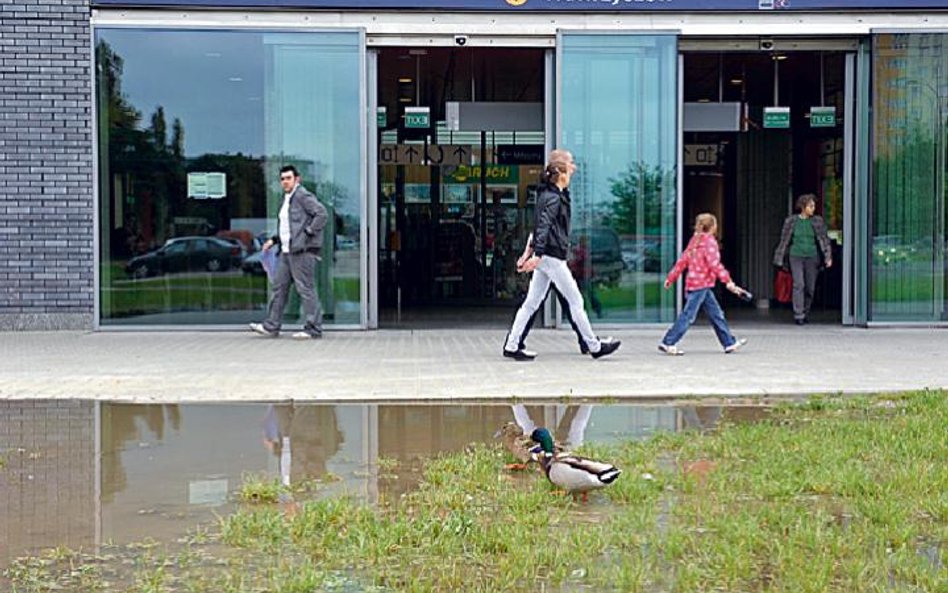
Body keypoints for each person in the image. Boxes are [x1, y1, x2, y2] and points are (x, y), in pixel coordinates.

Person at [502, 159, 621, 361]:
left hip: (546, 257)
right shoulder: (553, 199)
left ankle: (512, 345)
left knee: (531, 303)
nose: (572, 173)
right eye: (569, 171)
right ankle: (594, 346)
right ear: (561, 175)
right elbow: (543, 227)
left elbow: (538, 227)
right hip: (552, 258)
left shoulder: (548, 196)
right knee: (576, 301)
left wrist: (529, 254)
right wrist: (536, 254)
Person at [250, 165, 328, 339]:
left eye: (288, 178)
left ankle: (313, 328)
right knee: (279, 288)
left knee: (305, 289)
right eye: (282, 179)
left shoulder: (302, 195)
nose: (285, 182)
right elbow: (288, 227)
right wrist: (273, 240)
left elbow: (322, 214)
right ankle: (271, 326)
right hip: (286, 252)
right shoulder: (286, 199)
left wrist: (308, 232)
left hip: (302, 251)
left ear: (297, 179)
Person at [658, 212, 747, 355]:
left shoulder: (695, 241)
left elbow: (682, 261)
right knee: (688, 315)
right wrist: (728, 281)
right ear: (713, 227)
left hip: (696, 284)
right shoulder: (709, 242)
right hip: (702, 285)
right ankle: (668, 341)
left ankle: (728, 343)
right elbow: (715, 264)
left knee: (716, 314)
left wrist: (671, 277)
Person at [772, 193, 833, 325]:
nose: (813, 208)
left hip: (812, 256)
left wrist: (828, 257)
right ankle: (798, 314)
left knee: (810, 287)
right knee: (798, 284)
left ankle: (805, 311)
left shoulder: (818, 221)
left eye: (814, 206)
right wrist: (779, 258)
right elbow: (784, 240)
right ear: (803, 207)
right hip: (796, 256)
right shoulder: (791, 221)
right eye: (810, 206)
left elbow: (824, 240)